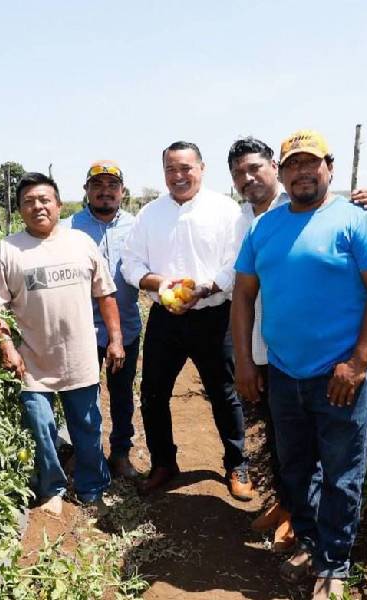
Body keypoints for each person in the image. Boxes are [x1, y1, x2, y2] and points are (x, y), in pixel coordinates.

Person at [232, 130, 367, 600]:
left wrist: (357, 362)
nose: (302, 172)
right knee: (295, 465)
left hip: (340, 375)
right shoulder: (265, 227)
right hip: (285, 372)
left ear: (329, 167)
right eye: (293, 165)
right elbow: (244, 295)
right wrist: (245, 361)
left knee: (343, 472)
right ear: (282, 174)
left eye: (311, 163)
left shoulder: (356, 222)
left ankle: (335, 565)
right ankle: (309, 540)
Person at [0, 172, 125, 516]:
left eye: (44, 200)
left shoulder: (80, 243)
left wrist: (116, 339)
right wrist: (7, 346)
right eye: (29, 202)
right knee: (42, 426)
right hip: (33, 360)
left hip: (79, 357)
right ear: (19, 210)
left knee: (88, 426)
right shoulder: (7, 250)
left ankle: (93, 487)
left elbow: (105, 294)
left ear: (59, 205)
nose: (38, 207)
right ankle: (52, 489)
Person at [121, 141, 253, 500]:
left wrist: (208, 287)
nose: (178, 176)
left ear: (202, 168)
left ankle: (236, 463)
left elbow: (237, 262)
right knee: (153, 393)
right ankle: (164, 463)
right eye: (170, 169)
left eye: (185, 168)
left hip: (214, 316)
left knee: (224, 392)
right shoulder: (150, 214)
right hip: (166, 319)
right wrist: (160, 285)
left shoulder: (226, 211)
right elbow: (130, 263)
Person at [64, 160, 142, 479]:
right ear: (86, 191)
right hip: (81, 329)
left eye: (112, 186)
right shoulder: (68, 229)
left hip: (125, 327)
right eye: (98, 186)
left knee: (122, 393)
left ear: (122, 192)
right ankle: (88, 455)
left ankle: (121, 454)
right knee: (83, 394)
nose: (105, 192)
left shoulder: (137, 227)